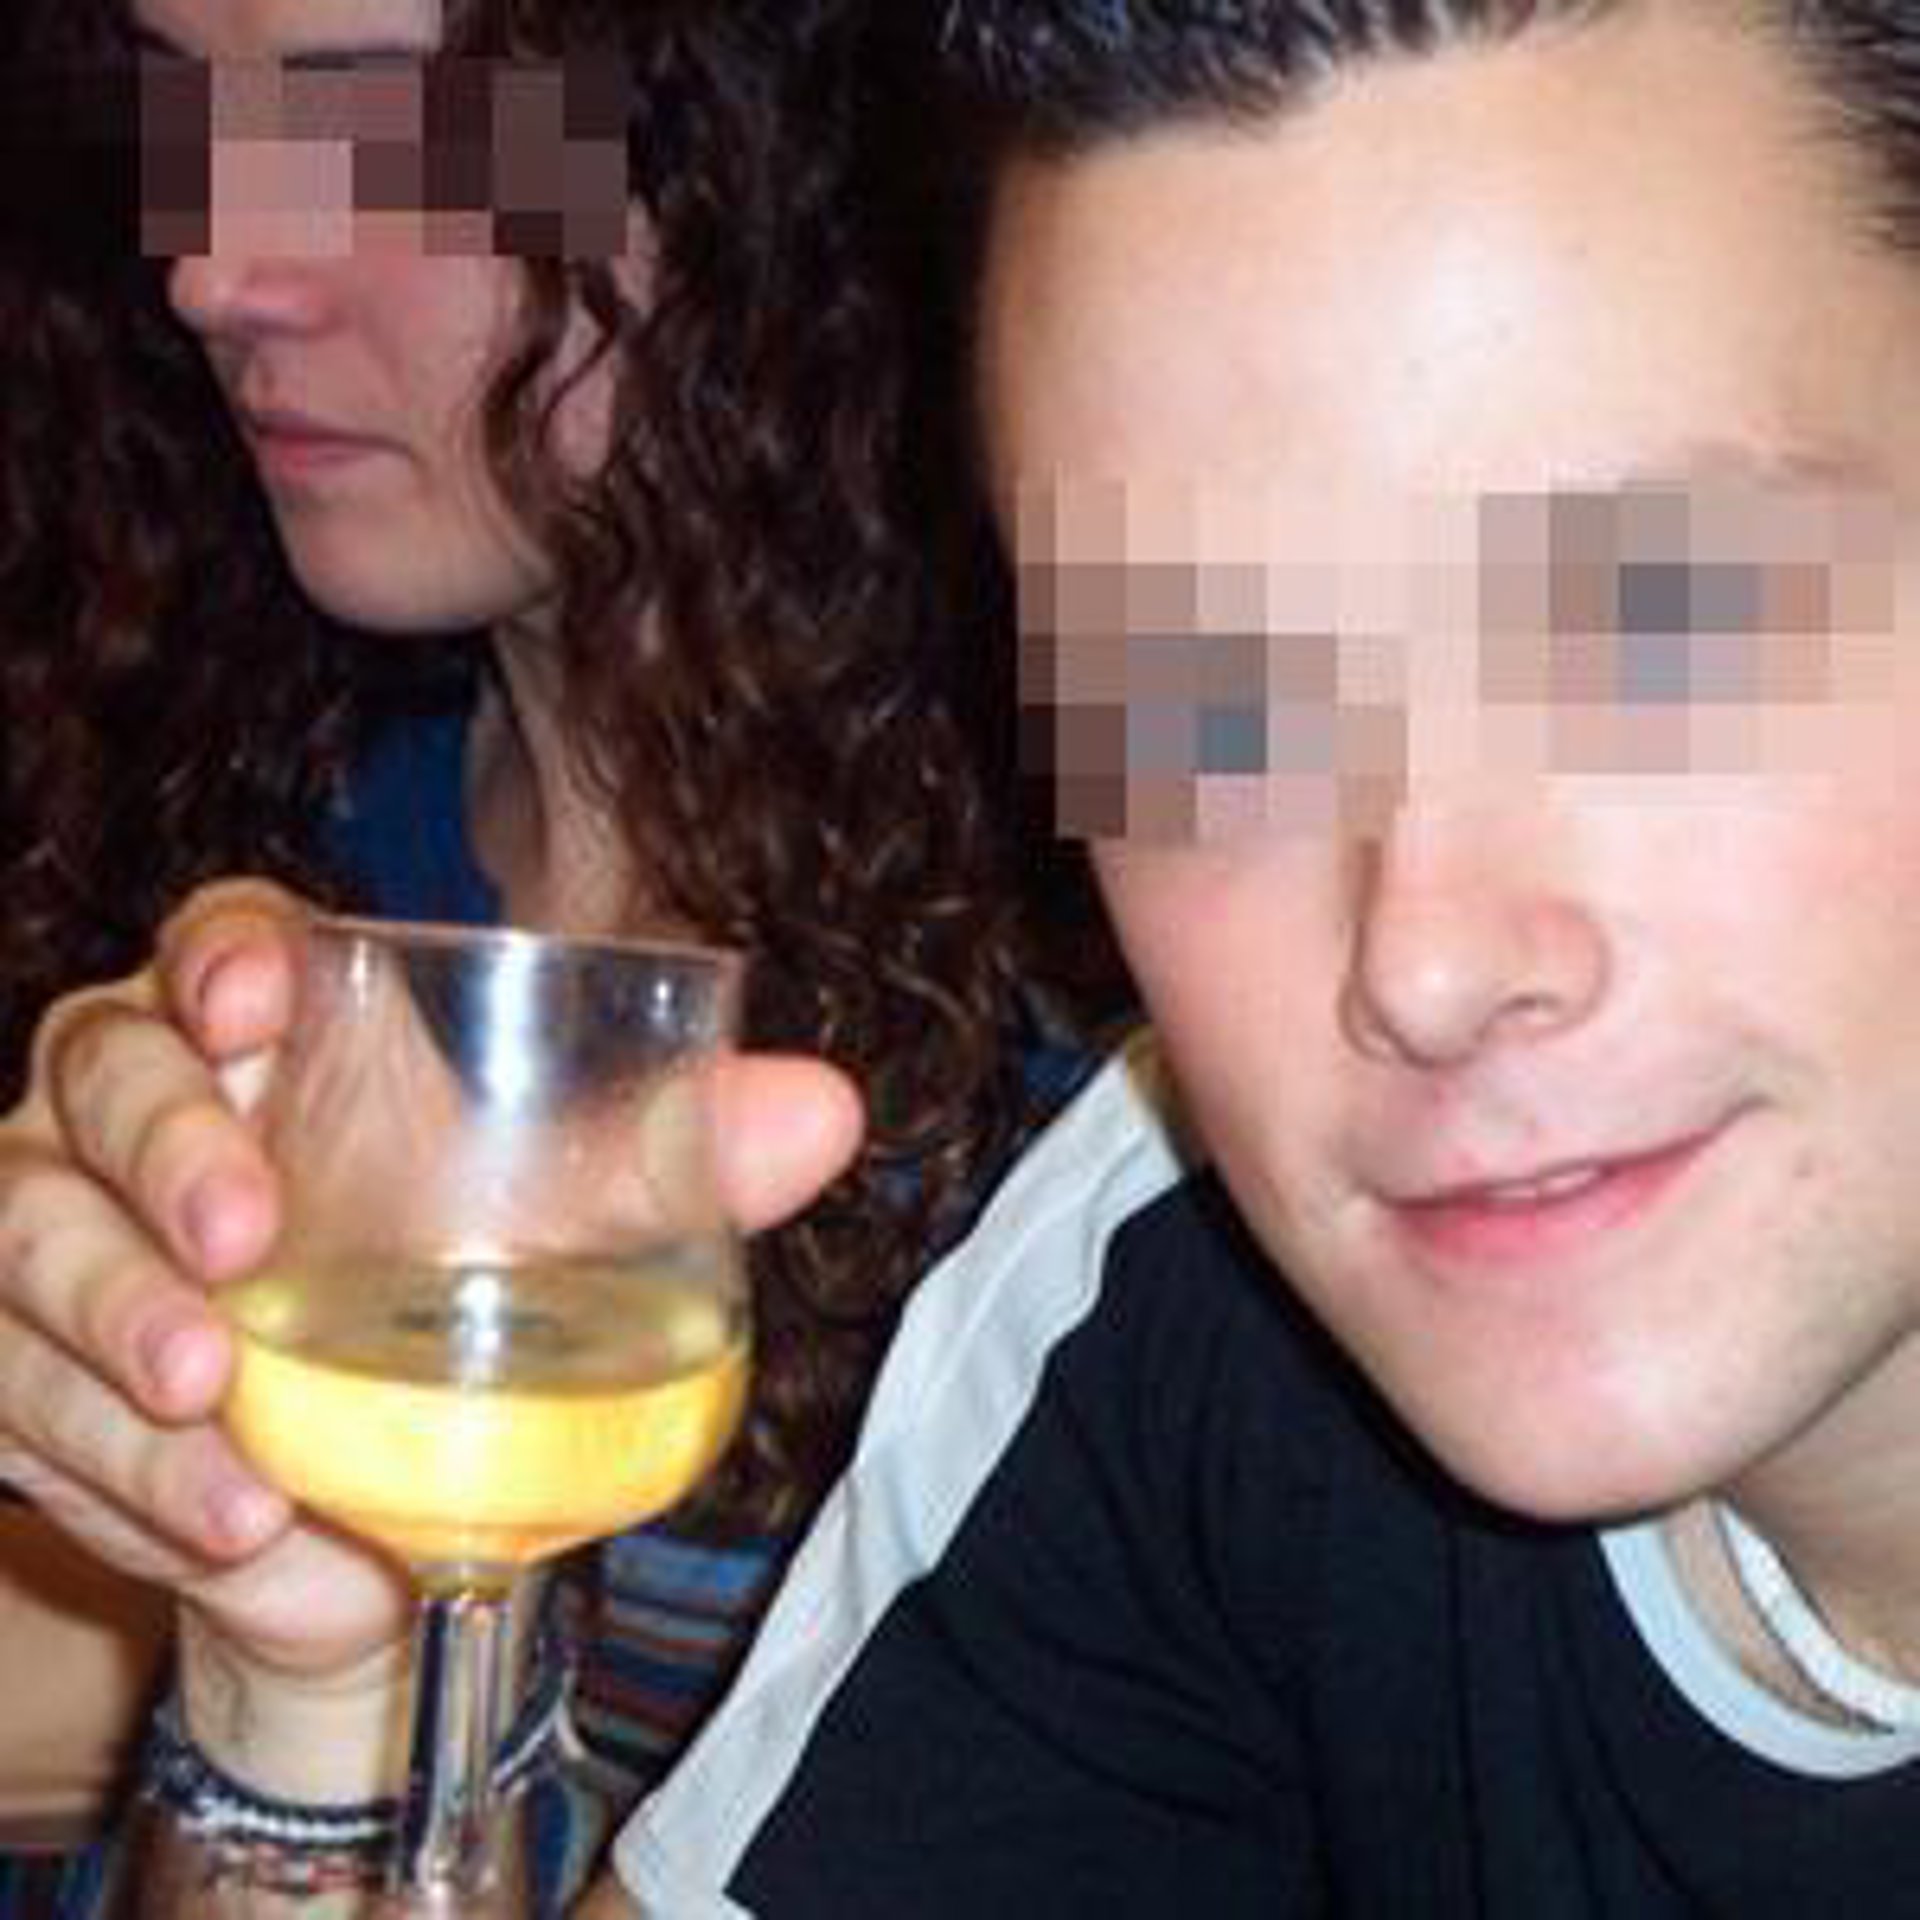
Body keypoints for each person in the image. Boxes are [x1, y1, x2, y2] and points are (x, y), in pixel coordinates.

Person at [595, 0, 1920, 1912]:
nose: (1425, 962)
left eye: (1662, 621)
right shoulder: (1177, 1292)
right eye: (1203, 712)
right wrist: (298, 1680)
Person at [0, 0, 1070, 1907]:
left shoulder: (1114, 1034)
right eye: (178, 110)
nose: (215, 270)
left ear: (768, 157)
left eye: (402, 132)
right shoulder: (213, 819)